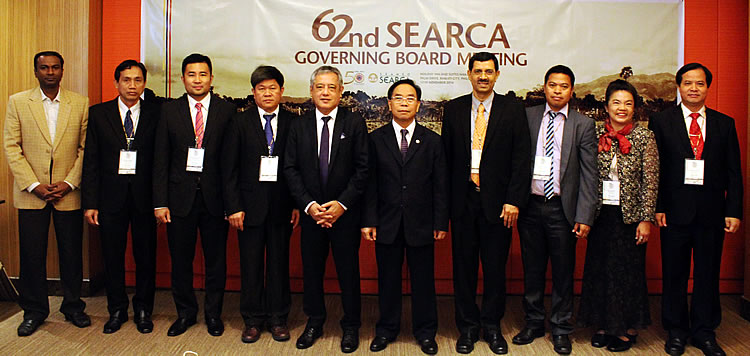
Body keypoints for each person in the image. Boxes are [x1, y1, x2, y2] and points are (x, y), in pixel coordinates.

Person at [649, 63, 743, 356]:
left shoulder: (724, 124)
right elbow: (655, 169)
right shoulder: (662, 122)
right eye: (687, 83)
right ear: (679, 86)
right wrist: (659, 206)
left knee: (707, 274)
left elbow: (734, 172)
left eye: (699, 83)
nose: (693, 88)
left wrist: (734, 210)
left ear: (707, 88)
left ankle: (705, 332)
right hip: (674, 213)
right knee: (674, 274)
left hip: (711, 214)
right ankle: (675, 331)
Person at [441, 51, 531, 355]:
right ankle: (466, 328)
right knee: (463, 269)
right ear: (468, 74)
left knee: (495, 269)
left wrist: (513, 200)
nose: (483, 76)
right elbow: (445, 162)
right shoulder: (453, 110)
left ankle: (492, 327)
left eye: (488, 71)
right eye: (477, 70)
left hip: (499, 205)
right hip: (463, 201)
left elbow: (521, 159)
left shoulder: (512, 109)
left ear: (497, 74)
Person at [4, 51, 91, 336]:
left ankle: (73, 306)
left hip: (68, 192)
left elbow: (84, 149)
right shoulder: (18, 102)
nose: (50, 72)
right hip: (32, 193)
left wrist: (68, 183)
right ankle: (34, 311)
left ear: (63, 71)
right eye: (44, 68)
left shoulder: (79, 103)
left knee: (71, 253)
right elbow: (11, 146)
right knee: (31, 255)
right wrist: (34, 184)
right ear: (36, 71)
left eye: (55, 67)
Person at [513, 65, 597, 355]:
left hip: (563, 210)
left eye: (564, 86)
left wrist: (584, 215)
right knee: (532, 268)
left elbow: (589, 174)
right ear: (544, 87)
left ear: (572, 90)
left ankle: (561, 327)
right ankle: (534, 322)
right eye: (552, 85)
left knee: (563, 272)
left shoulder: (583, 124)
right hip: (531, 206)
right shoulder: (528, 117)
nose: (557, 90)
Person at [283, 65, 368, 353]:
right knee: (312, 271)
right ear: (311, 91)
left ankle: (351, 325)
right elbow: (290, 169)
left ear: (341, 91)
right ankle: (314, 321)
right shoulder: (298, 125)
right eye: (320, 86)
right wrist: (309, 206)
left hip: (344, 214)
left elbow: (362, 169)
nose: (325, 92)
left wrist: (341, 205)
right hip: (312, 215)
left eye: (332, 87)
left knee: (348, 271)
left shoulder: (354, 123)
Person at [152, 53, 236, 337]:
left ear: (211, 78)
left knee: (216, 261)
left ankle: (213, 314)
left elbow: (230, 162)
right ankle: (185, 313)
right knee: (181, 261)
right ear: (182, 78)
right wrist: (160, 202)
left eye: (203, 74)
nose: (197, 79)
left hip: (215, 200)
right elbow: (160, 159)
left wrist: (231, 203)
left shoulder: (226, 111)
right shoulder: (169, 111)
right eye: (191, 74)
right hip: (178, 201)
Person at [362, 79, 448, 355]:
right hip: (386, 223)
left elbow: (440, 185)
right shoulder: (375, 139)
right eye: (398, 98)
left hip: (421, 223)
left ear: (418, 104)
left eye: (410, 98)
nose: (403, 103)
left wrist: (440, 222)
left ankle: (425, 332)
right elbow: (370, 184)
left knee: (424, 281)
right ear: (389, 104)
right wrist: (369, 220)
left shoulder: (433, 140)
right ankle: (386, 330)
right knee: (388, 280)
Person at [577, 79, 658, 352]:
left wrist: (646, 218)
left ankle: (623, 327)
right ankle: (602, 324)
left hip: (631, 216)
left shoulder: (644, 137)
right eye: (616, 102)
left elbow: (650, 180)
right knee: (600, 270)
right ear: (606, 105)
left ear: (635, 108)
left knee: (626, 272)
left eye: (628, 103)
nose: (621, 108)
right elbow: (585, 175)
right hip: (600, 214)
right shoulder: (594, 132)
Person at [221, 65, 299, 343]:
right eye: (261, 88)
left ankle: (278, 318)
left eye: (272, 88)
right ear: (253, 92)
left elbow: (296, 168)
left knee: (279, 265)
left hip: (281, 208)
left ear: (281, 90)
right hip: (247, 209)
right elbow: (228, 168)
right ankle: (252, 320)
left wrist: (295, 204)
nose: (267, 93)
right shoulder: (239, 122)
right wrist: (233, 207)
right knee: (251, 265)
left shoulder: (293, 122)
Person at [81, 60, 159, 334]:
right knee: (112, 256)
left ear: (144, 83)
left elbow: (160, 160)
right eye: (126, 80)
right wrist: (90, 202)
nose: (132, 86)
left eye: (138, 80)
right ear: (116, 83)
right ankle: (116, 309)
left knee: (145, 256)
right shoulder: (99, 114)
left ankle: (142, 309)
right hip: (109, 199)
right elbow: (90, 160)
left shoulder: (155, 113)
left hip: (145, 199)